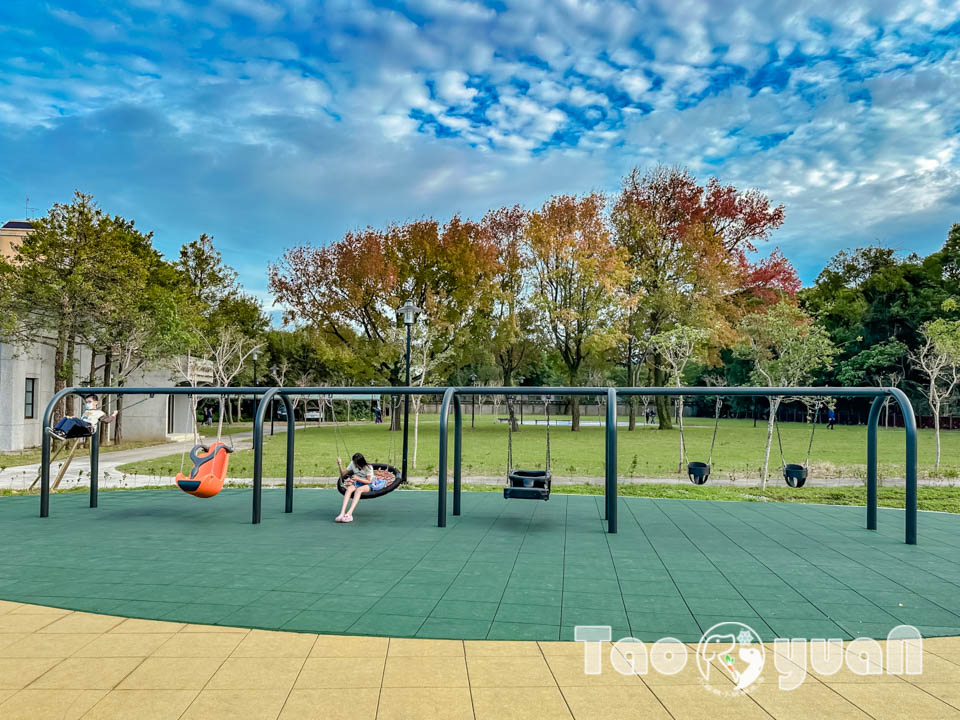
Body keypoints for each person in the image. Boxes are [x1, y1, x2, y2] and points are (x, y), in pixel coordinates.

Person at [335, 452, 386, 522]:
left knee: (358, 490)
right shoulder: (352, 463)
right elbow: (342, 475)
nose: (354, 465)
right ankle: (342, 513)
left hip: (369, 484)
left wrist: (358, 478)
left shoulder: (368, 467)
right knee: (349, 489)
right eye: (354, 462)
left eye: (356, 463)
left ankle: (349, 514)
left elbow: (369, 481)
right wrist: (339, 464)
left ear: (360, 463)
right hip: (358, 482)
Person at [49, 395, 117, 439]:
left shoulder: (99, 412)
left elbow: (107, 420)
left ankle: (62, 433)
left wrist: (114, 414)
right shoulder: (86, 411)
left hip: (89, 427)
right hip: (82, 426)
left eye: (89, 402)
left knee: (73, 419)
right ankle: (56, 430)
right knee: (67, 417)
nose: (87, 404)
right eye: (86, 402)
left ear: (96, 402)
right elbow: (81, 421)